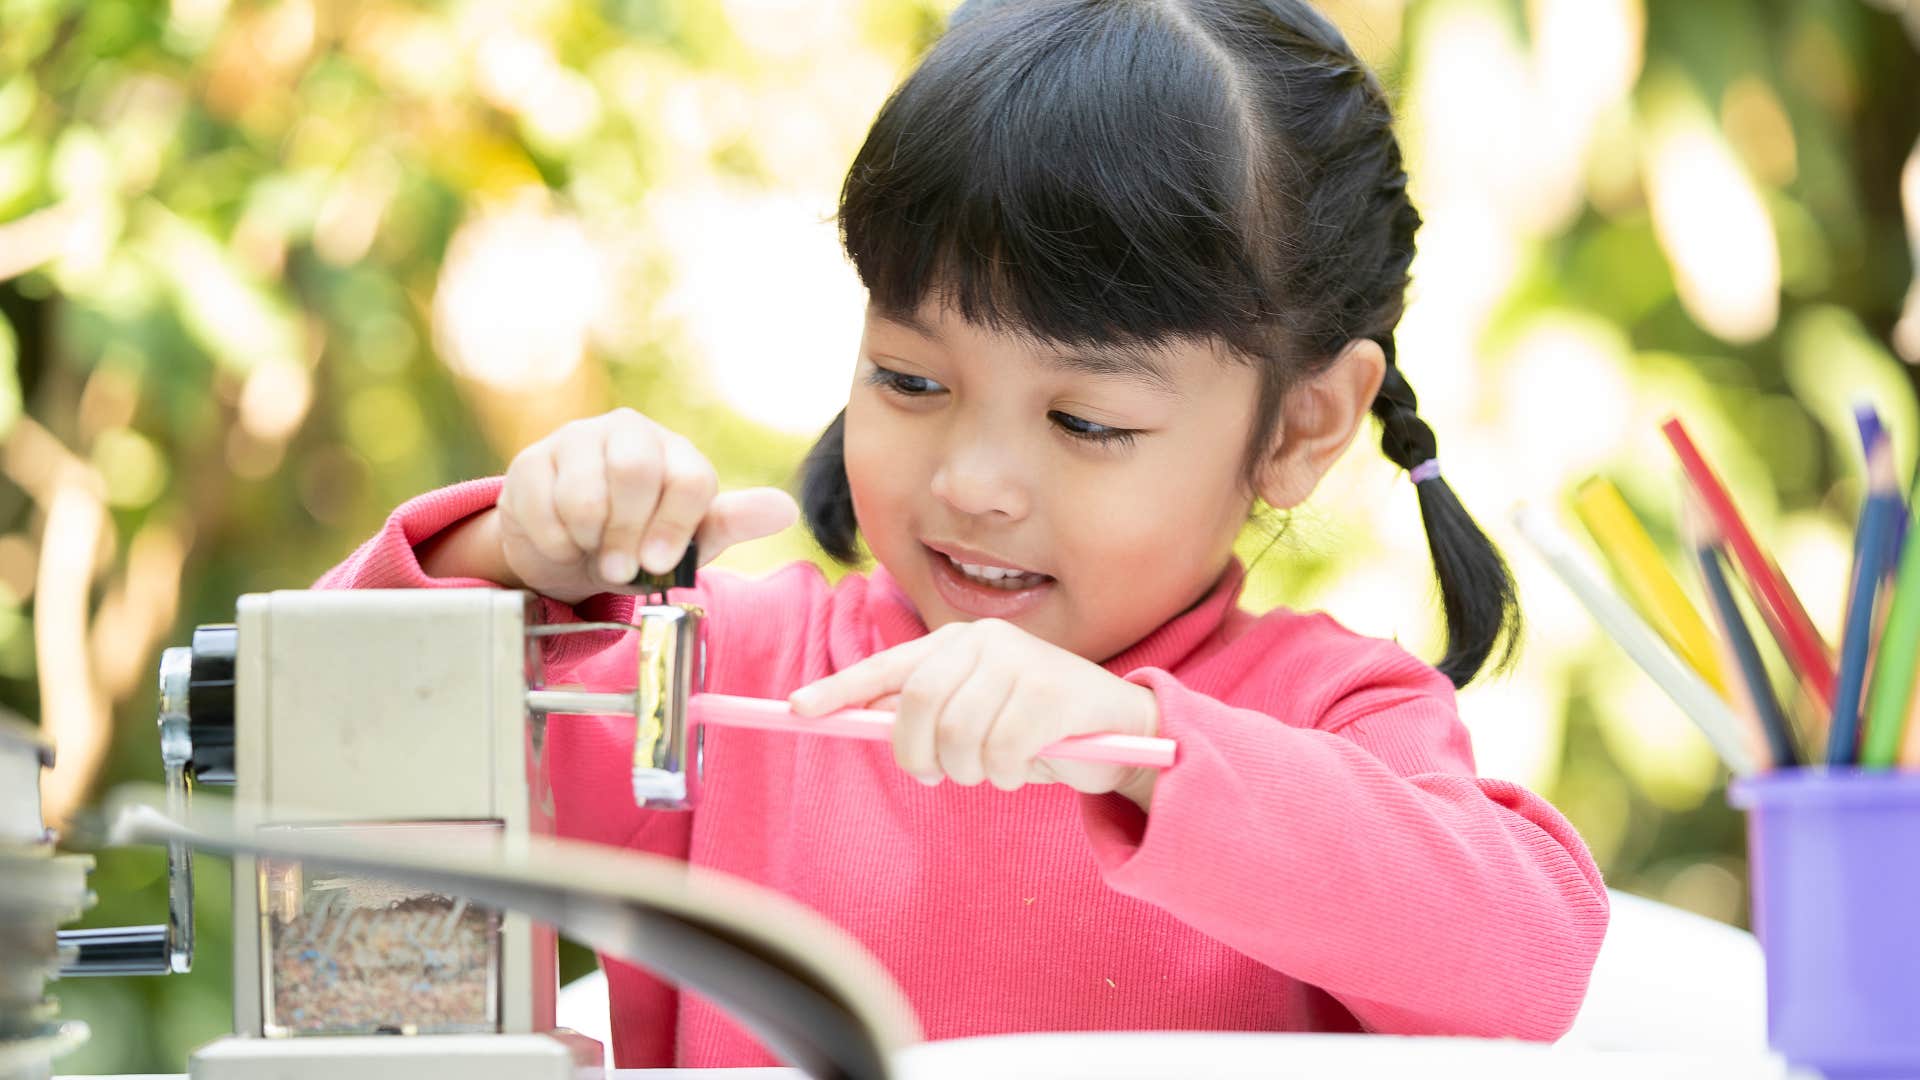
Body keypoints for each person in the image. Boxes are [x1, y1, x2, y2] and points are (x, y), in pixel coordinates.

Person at [319, 0, 1608, 1067]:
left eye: (1087, 420)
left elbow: (1528, 960)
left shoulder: (1328, 717)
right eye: (912, 381)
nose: (976, 481)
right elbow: (328, 772)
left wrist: (1137, 748)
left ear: (1300, 427)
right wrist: (504, 561)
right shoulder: (740, 685)